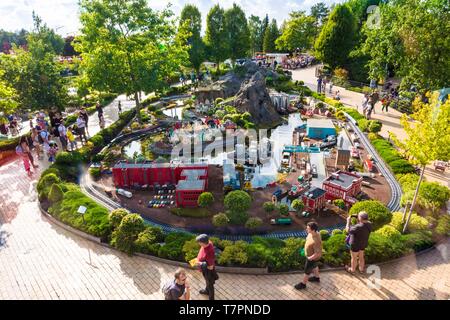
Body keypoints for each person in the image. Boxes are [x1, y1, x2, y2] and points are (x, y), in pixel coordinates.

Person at [294, 221, 322, 290]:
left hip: (312, 258)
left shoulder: (316, 240)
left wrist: (310, 258)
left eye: (308, 228)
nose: (306, 229)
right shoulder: (311, 233)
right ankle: (317, 278)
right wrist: (305, 249)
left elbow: (317, 253)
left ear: (313, 230)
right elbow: (308, 241)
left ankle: (303, 284)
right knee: (315, 266)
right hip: (311, 256)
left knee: (307, 271)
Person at [195, 234, 218, 300]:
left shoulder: (209, 252)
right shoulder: (208, 242)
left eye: (199, 242)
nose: (199, 243)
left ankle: (211, 298)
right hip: (204, 269)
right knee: (207, 281)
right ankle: (206, 291)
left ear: (203, 243)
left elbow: (210, 267)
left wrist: (199, 263)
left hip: (208, 271)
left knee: (210, 284)